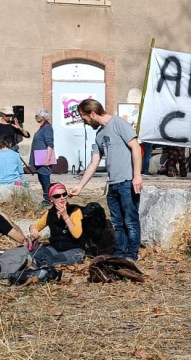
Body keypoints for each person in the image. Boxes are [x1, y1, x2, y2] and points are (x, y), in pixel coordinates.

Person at [70, 99, 143, 261]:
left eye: (85, 118)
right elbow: (94, 162)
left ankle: (132, 254)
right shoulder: (99, 134)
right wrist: (80, 186)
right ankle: (120, 253)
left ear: (93, 114)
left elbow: (136, 147)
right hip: (112, 184)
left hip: (127, 181)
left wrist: (137, 175)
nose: (85, 122)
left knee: (130, 221)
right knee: (117, 223)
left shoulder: (119, 124)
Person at [29, 182, 86, 268]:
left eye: (64, 194)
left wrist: (65, 216)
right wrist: (33, 229)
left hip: (74, 249)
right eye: (57, 196)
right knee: (33, 254)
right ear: (51, 199)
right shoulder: (50, 213)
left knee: (53, 260)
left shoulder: (75, 211)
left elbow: (77, 234)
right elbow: (36, 226)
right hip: (55, 248)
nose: (62, 198)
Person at [29, 109, 55, 204]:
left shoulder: (47, 127)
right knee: (41, 178)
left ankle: (48, 200)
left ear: (42, 117)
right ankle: (46, 198)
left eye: (37, 116)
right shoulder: (42, 127)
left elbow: (50, 144)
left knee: (45, 179)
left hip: (43, 159)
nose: (35, 118)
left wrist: (48, 159)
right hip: (39, 158)